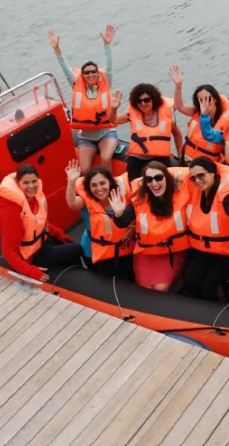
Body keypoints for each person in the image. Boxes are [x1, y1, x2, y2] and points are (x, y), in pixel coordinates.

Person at [48, 26, 119, 173]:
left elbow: (110, 67)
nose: (91, 74)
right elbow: (65, 69)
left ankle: (111, 189)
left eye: (94, 71)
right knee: (85, 169)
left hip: (106, 133)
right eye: (87, 72)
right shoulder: (76, 86)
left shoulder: (106, 82)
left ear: (98, 74)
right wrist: (57, 49)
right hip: (86, 137)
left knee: (106, 158)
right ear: (83, 75)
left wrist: (107, 45)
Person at [0, 164, 84, 282]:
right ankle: (78, 277)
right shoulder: (11, 212)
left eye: (34, 181)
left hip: (42, 242)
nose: (31, 186)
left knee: (68, 243)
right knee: (77, 249)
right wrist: (30, 271)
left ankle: (74, 269)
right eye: (26, 183)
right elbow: (8, 251)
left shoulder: (34, 198)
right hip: (31, 256)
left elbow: (40, 224)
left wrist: (60, 235)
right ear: (18, 183)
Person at [111, 162, 190, 291]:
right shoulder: (139, 200)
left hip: (172, 252)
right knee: (145, 289)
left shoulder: (182, 194)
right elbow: (123, 222)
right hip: (146, 253)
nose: (154, 183)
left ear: (167, 178)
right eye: (149, 180)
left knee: (160, 288)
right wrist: (119, 213)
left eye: (158, 178)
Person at [184, 157, 229, 302]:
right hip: (204, 250)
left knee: (209, 284)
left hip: (228, 253)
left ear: (212, 173)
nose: (198, 181)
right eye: (193, 178)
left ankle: (216, 313)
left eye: (201, 175)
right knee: (190, 280)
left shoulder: (227, 192)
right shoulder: (196, 193)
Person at [64, 160, 134, 280]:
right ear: (89, 188)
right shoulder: (86, 201)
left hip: (123, 249)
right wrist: (71, 182)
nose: (99, 188)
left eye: (102, 183)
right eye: (94, 185)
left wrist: (133, 229)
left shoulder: (123, 197)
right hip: (94, 251)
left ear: (110, 182)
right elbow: (73, 204)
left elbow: (138, 217)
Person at [109, 84, 183, 181]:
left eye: (146, 100)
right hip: (137, 159)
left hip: (159, 158)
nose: (143, 103)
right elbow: (114, 120)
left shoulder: (165, 117)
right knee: (135, 185)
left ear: (153, 100)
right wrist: (113, 109)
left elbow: (177, 134)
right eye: (139, 101)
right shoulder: (130, 114)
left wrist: (180, 153)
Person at [168, 64, 229, 163]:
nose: (205, 103)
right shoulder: (196, 112)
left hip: (207, 168)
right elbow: (179, 106)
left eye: (208, 99)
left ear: (215, 99)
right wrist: (178, 86)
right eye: (201, 100)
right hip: (187, 161)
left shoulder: (228, 120)